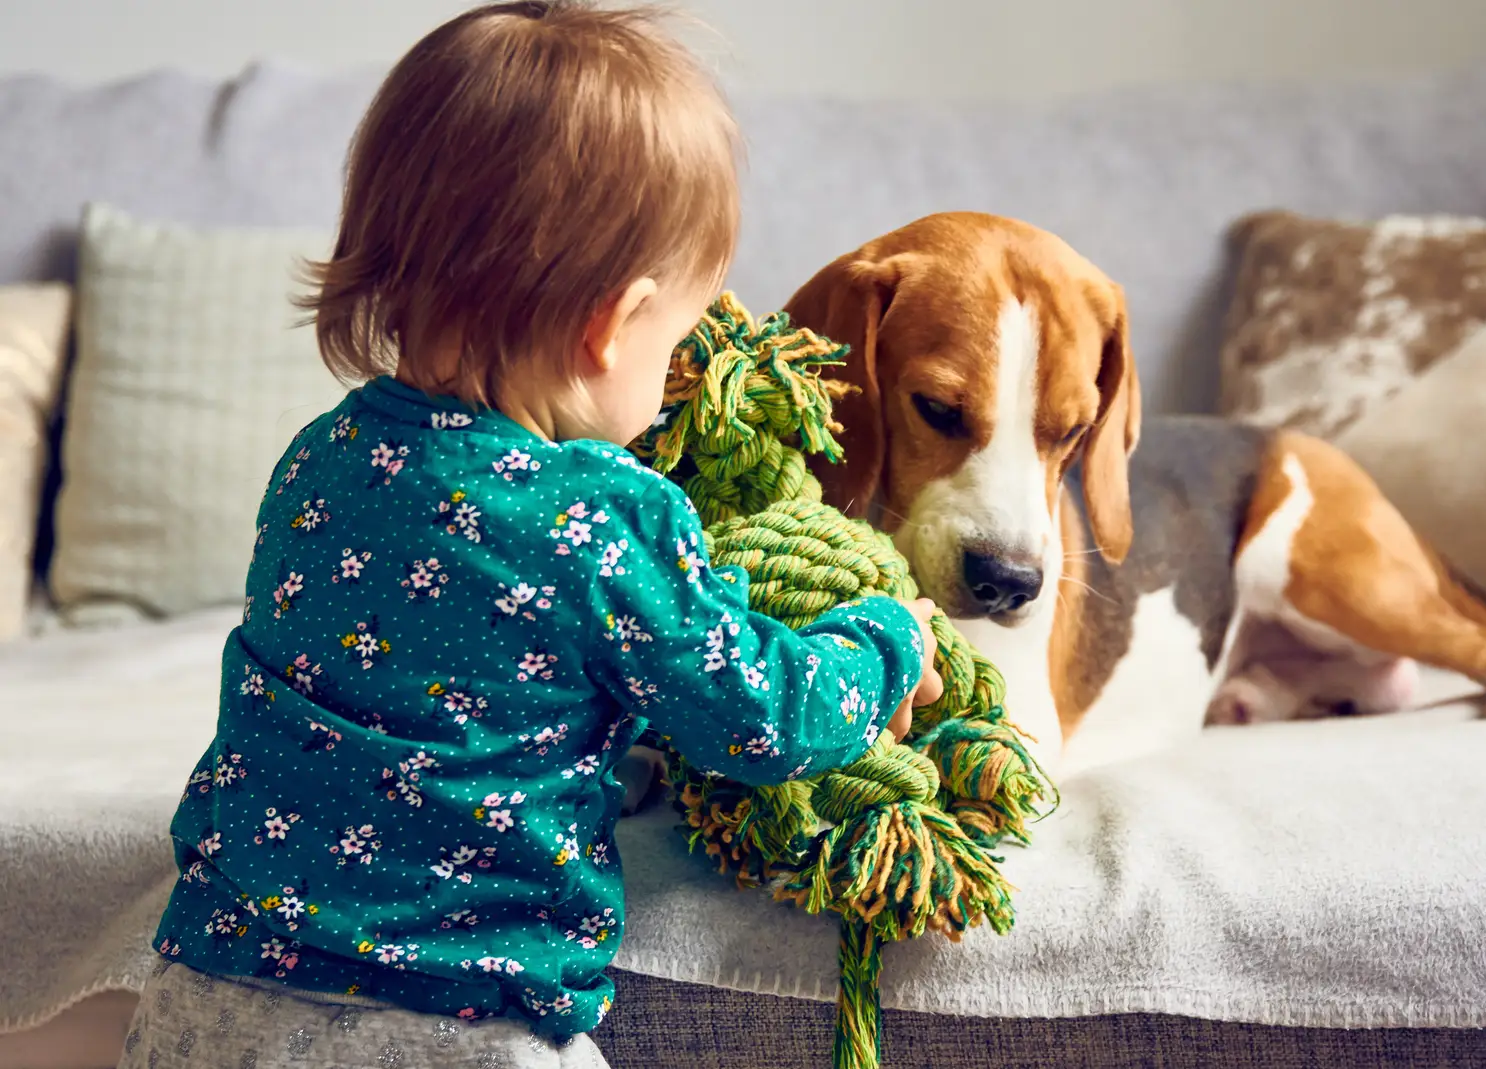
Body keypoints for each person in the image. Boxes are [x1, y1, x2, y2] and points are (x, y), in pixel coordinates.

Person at [119, 4, 941, 1066]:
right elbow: (760, 717)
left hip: (208, 1000)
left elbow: (450, 673)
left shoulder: (317, 458)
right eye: (678, 335)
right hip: (461, 1023)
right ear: (613, 323)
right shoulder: (599, 514)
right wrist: (884, 641)